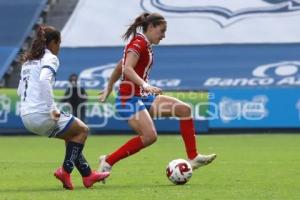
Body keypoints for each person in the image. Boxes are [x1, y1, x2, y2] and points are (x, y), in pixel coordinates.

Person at [97, 13, 216, 176]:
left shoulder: (143, 44)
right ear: (151, 27)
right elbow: (127, 69)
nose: (164, 36)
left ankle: (193, 157)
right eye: (162, 31)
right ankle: (108, 161)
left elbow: (121, 66)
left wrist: (109, 86)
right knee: (149, 136)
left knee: (184, 110)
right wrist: (145, 85)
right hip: (129, 99)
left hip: (142, 97)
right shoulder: (138, 43)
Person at [17, 25, 109, 190]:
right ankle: (65, 171)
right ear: (53, 43)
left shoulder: (28, 62)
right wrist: (52, 108)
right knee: (82, 130)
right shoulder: (50, 58)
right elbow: (45, 80)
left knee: (73, 136)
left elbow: (20, 90)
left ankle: (88, 175)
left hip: (26, 116)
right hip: (41, 113)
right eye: (59, 43)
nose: (59, 47)